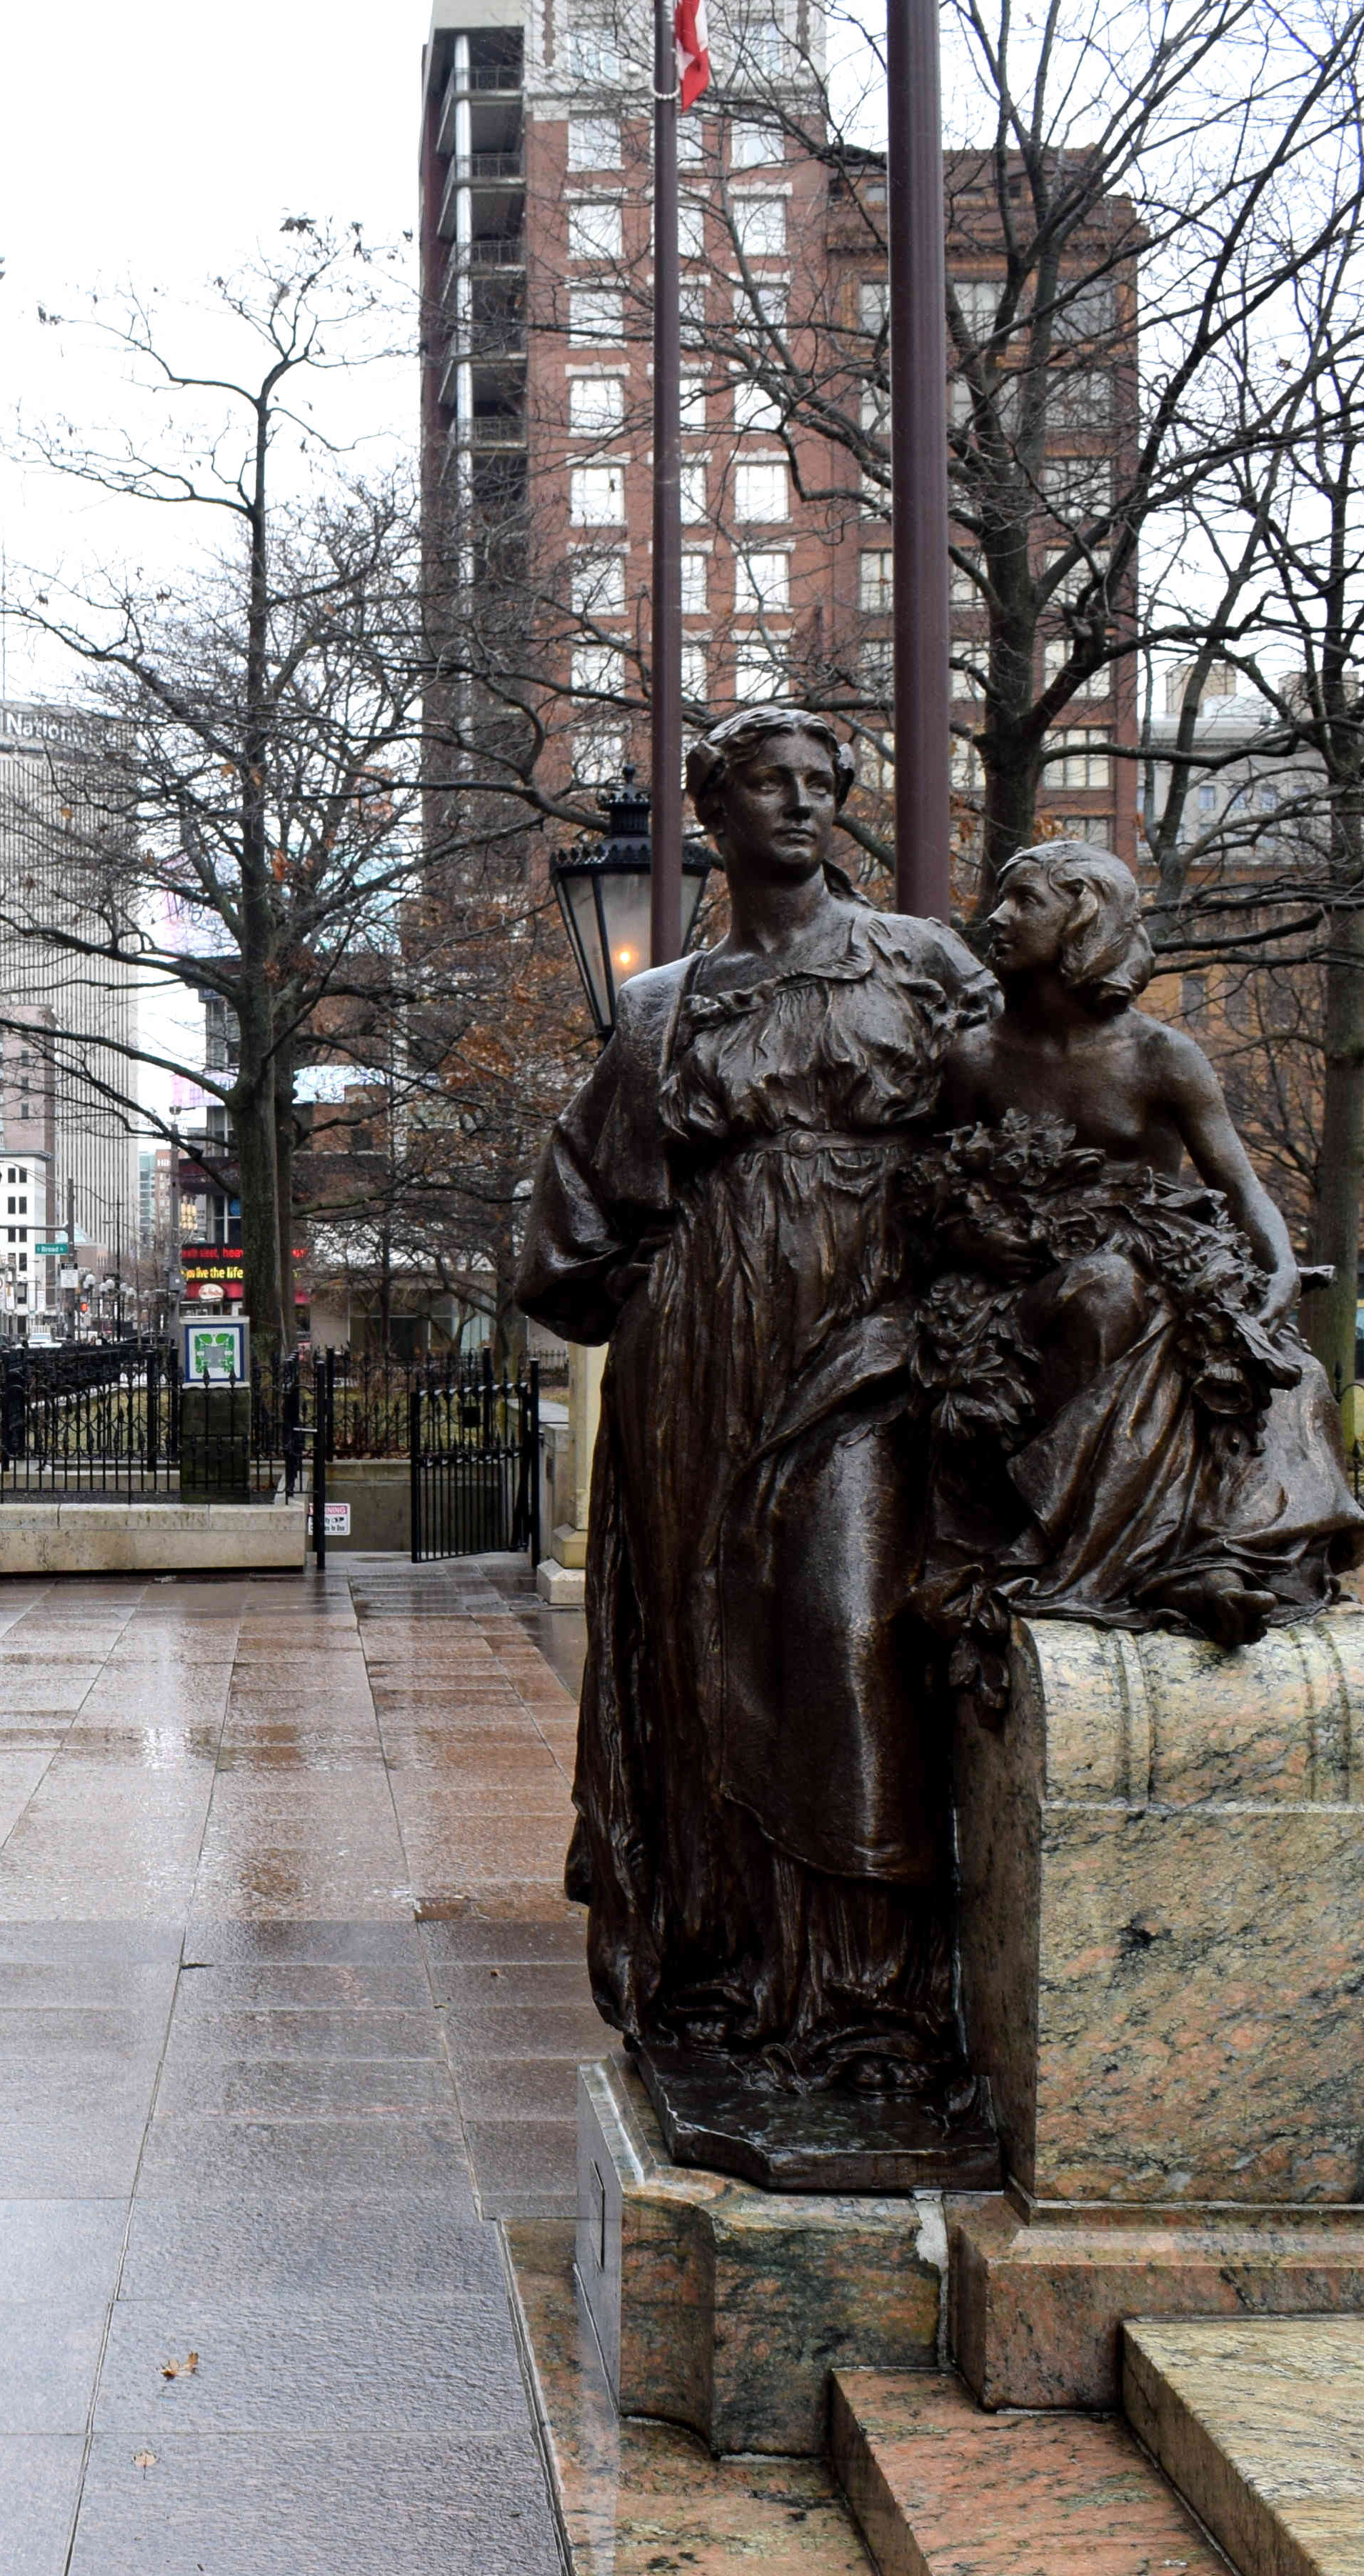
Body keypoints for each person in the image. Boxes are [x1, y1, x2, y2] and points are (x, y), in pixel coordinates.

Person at [514, 707, 1000, 2170]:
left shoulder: (926, 967)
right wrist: (647, 1266)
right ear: (711, 816)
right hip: (701, 1361)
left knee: (844, 1639)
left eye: (822, 783)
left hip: (866, 1346)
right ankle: (735, 1977)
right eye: (767, 784)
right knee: (704, 1654)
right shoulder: (662, 1008)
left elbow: (1036, 1128)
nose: (801, 803)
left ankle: (868, 1996)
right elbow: (574, 1218)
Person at [914, 840, 1364, 1646]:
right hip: (1034, 1305)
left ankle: (1215, 1561)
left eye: (1024, 901)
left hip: (1164, 1276)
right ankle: (1136, 1560)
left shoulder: (1162, 1056)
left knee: (1285, 1368)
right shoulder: (974, 1060)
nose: (997, 918)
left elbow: (1241, 1186)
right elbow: (930, 1198)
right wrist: (974, 1239)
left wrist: (1281, 1271)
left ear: (1084, 920)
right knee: (1105, 1291)